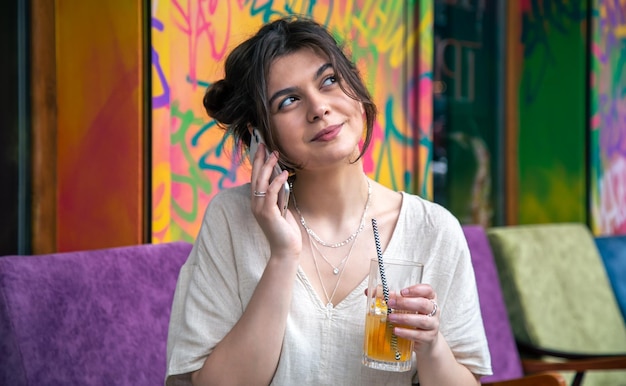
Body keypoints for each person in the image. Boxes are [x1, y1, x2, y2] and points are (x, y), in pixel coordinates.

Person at [165, 16, 491, 386]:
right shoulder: (230, 219)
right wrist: (283, 255)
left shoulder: (433, 230)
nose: (318, 107)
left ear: (355, 86)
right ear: (261, 135)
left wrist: (431, 345)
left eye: (329, 80)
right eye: (289, 100)